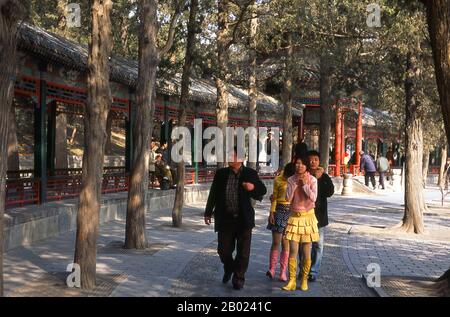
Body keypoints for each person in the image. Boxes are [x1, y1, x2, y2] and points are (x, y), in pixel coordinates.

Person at [204, 147, 267, 290]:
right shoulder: (221, 174)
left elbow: (262, 191)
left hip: (243, 219)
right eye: (228, 154)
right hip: (225, 218)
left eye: (232, 155)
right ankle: (229, 267)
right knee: (223, 250)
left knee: (243, 253)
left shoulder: (250, 173)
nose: (229, 157)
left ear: (241, 158)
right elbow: (213, 193)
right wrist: (208, 212)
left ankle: (238, 278)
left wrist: (252, 188)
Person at [282, 156, 319, 292]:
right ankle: (291, 280)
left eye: (302, 163)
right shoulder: (291, 179)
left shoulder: (313, 180)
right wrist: (294, 185)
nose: (299, 166)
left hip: (308, 217)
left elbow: (314, 198)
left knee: (306, 251)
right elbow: (287, 198)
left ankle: (304, 279)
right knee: (292, 250)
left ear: (306, 166)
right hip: (294, 217)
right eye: (297, 163)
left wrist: (304, 185)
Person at [303, 150, 334, 282]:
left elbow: (330, 192)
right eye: (311, 159)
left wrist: (321, 178)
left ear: (319, 161)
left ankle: (313, 271)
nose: (313, 162)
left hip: (319, 216)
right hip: (304, 214)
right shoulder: (303, 175)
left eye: (316, 159)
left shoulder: (324, 176)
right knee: (303, 244)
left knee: (318, 245)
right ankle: (303, 268)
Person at [266, 162, 295, 282]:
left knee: (286, 242)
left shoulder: (296, 180)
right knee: (276, 242)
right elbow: (275, 198)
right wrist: (271, 212)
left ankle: (283, 272)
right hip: (279, 210)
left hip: (291, 211)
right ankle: (272, 269)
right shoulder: (278, 179)